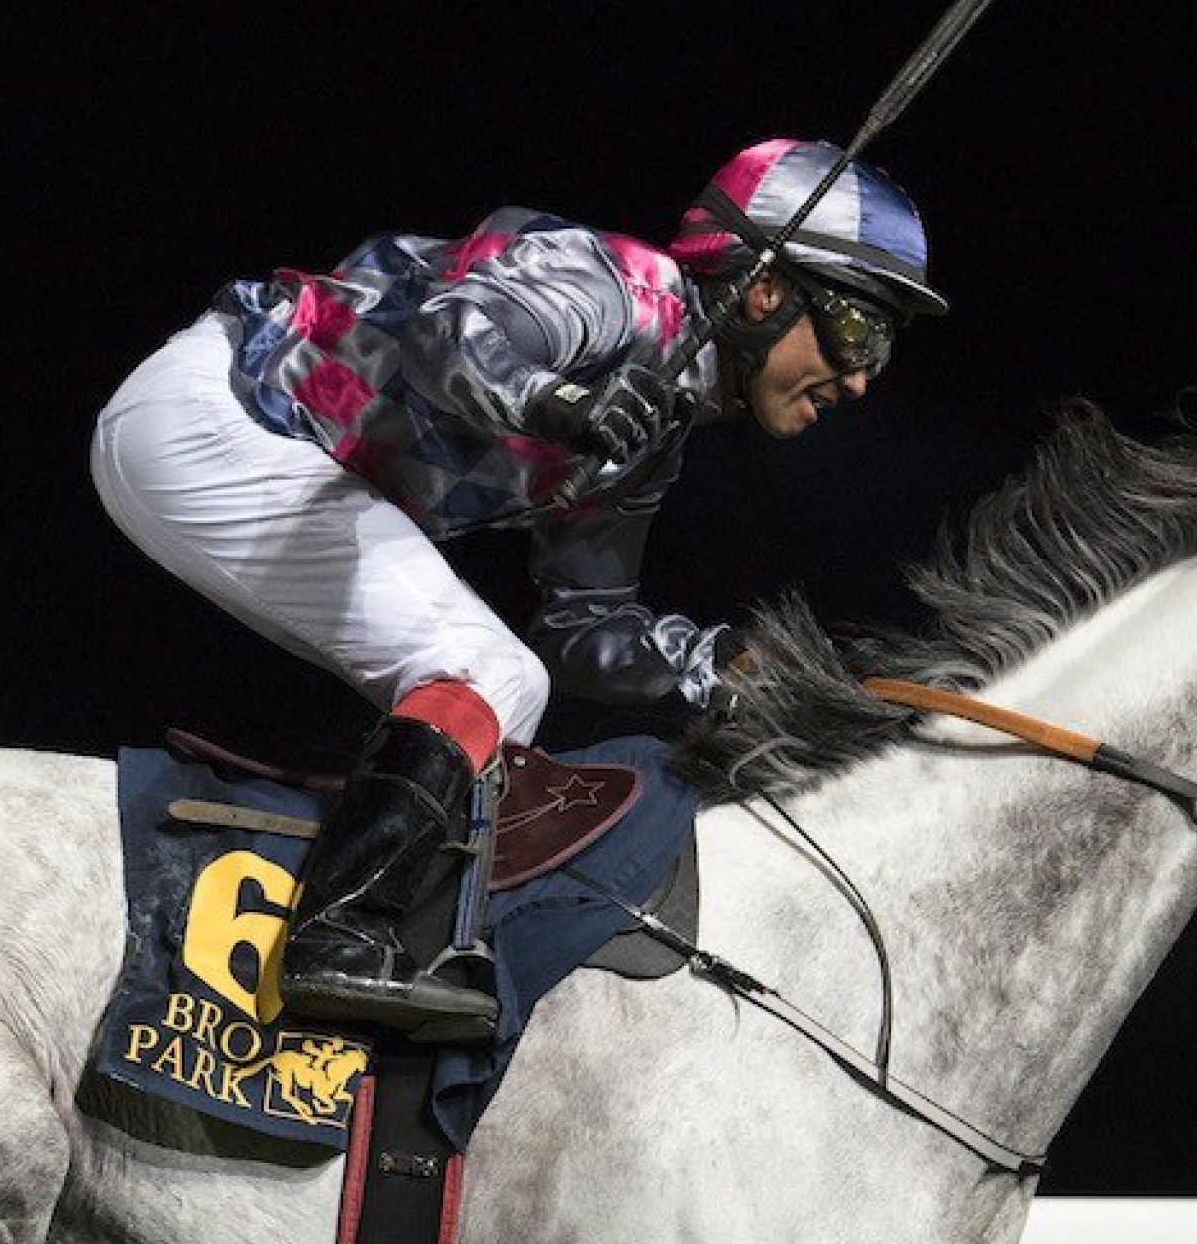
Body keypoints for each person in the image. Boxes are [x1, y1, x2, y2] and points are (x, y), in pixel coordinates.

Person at [90, 137, 948, 1040]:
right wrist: (559, 403)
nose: (857, 378)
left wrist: (712, 665)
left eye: (879, 354)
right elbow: (448, 334)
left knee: (496, 681)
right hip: (216, 415)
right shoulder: (615, 287)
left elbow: (581, 626)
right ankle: (333, 936)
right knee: (488, 673)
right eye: (858, 330)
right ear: (763, 289)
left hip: (258, 463)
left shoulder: (651, 438)